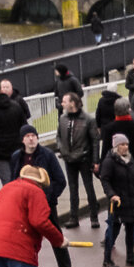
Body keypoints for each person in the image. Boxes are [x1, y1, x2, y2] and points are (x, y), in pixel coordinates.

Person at [9, 125, 74, 267]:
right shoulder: (16, 157)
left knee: (56, 237)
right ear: (22, 139)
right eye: (28, 136)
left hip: (46, 205)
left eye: (34, 135)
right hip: (24, 207)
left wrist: (48, 198)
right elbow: (13, 181)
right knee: (27, 241)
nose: (31, 138)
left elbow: (60, 180)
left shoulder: (48, 155)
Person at [99, 134, 134, 267]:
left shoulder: (130, 160)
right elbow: (105, 180)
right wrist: (112, 195)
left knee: (130, 231)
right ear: (116, 146)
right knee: (113, 231)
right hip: (117, 203)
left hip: (131, 201)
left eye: (126, 144)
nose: (125, 147)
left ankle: (130, 258)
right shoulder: (109, 162)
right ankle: (107, 260)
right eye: (122, 145)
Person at [99, 97, 134, 223]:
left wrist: (102, 167)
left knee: (114, 194)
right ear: (128, 109)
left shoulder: (109, 129)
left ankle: (113, 221)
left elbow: (105, 150)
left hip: (114, 167)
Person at [56, 92, 100, 229]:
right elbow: (59, 136)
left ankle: (94, 217)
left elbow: (95, 141)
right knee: (73, 189)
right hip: (69, 159)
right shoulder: (62, 118)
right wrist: (62, 150)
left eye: (64, 101)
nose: (62, 104)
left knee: (89, 188)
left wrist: (95, 161)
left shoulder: (88, 120)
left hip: (84, 159)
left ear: (72, 103)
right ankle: (73, 218)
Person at [0, 79, 29, 185]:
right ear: (1, 90)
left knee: (7, 182)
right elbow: (24, 126)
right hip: (16, 148)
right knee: (20, 178)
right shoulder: (16, 106)